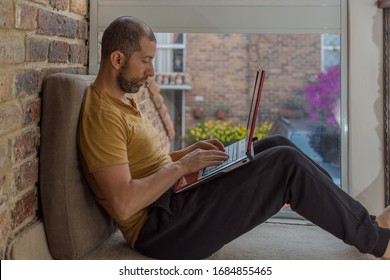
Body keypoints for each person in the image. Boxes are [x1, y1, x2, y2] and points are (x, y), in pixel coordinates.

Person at [77, 16, 390, 260]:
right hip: (161, 230)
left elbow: (143, 167)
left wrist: (189, 154)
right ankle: (377, 241)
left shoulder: (122, 101)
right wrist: (183, 165)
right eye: (145, 60)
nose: (152, 71)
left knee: (275, 145)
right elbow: (123, 202)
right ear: (118, 60)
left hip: (171, 202)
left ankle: (365, 222)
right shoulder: (103, 116)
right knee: (285, 164)